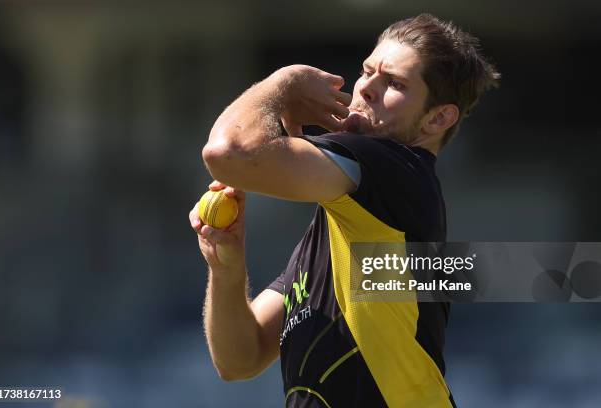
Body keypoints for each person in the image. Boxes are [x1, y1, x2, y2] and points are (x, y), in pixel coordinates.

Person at [189, 13, 499, 407]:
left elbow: (228, 153)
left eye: (395, 84)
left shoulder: (393, 168)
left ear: (437, 118)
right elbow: (239, 359)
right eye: (367, 72)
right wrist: (227, 268)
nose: (367, 88)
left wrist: (282, 83)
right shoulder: (346, 228)